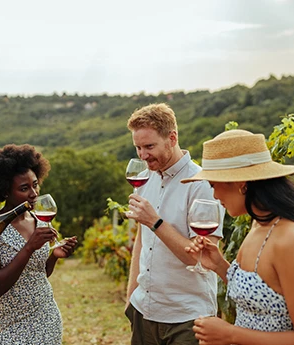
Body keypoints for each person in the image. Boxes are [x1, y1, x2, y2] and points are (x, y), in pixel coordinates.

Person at [182, 129, 294, 345]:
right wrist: (219, 265)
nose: (214, 195)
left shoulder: (291, 240)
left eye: (213, 185)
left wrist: (229, 334)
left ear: (241, 183)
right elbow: (264, 293)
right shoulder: (259, 224)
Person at [124, 103, 224, 345]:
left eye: (149, 146)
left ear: (172, 138)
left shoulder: (202, 184)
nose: (143, 155)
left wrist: (155, 222)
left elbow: (199, 258)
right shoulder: (144, 178)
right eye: (138, 147)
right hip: (144, 310)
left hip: (186, 317)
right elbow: (142, 238)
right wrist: (131, 296)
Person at [0, 144, 78, 345]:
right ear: (5, 191)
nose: (33, 193)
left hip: (46, 317)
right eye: (24, 188)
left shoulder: (39, 220)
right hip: (10, 325)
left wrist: (54, 256)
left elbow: (38, 274)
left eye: (35, 185)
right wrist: (29, 248)